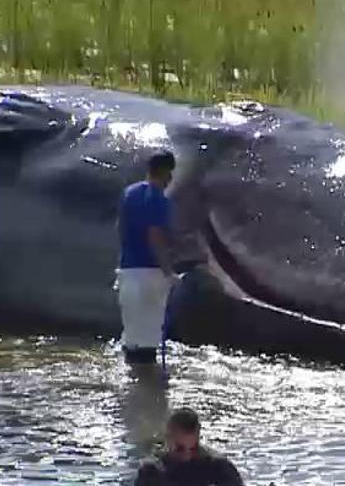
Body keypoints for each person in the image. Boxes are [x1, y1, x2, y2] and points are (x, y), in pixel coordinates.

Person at [116, 150, 178, 364]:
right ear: (167, 174)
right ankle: (150, 392)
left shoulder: (129, 194)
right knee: (149, 342)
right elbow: (155, 237)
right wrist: (169, 273)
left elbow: (121, 228)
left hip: (127, 272)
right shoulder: (159, 200)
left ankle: (132, 393)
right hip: (150, 275)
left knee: (132, 340)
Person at [134, 407, 245, 486]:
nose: (187, 456)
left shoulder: (220, 469)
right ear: (168, 438)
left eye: (194, 448)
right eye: (180, 449)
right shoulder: (152, 472)